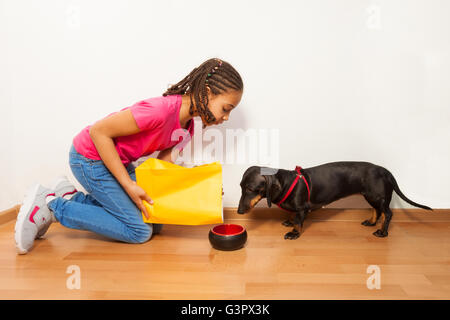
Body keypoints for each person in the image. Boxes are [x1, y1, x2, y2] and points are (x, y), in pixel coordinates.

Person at [14, 58, 243, 254]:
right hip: (89, 158)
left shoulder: (188, 128)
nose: (226, 118)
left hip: (116, 162)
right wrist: (128, 184)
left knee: (155, 220)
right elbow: (98, 132)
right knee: (140, 231)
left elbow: (161, 169)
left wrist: (200, 188)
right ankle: (52, 207)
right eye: (226, 108)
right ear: (207, 93)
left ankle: (74, 198)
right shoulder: (159, 111)